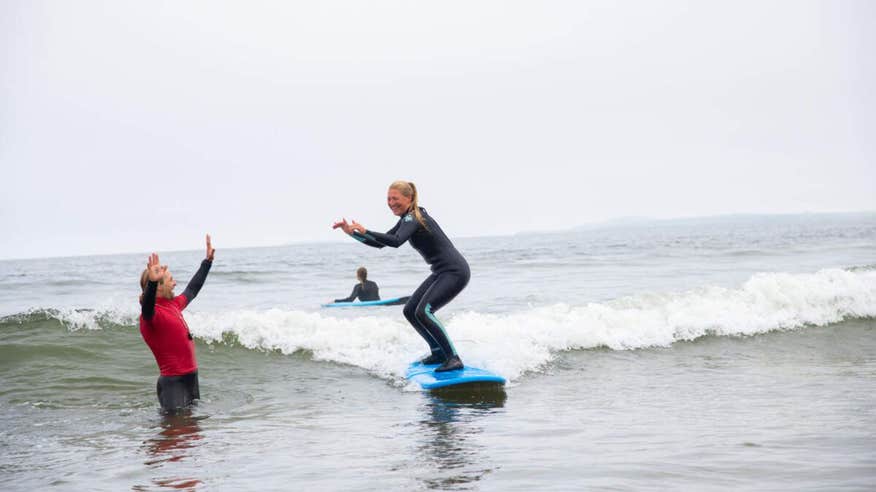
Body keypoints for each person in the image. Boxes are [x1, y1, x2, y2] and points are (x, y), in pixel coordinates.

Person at [333, 181, 469, 372]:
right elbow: (381, 243)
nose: (390, 202)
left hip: (454, 271)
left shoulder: (414, 217)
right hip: (441, 271)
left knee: (424, 311)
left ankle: (453, 358)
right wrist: (353, 233)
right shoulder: (407, 218)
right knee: (410, 310)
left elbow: (396, 241)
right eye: (388, 199)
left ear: (409, 198)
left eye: (395, 198)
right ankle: (438, 352)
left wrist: (366, 230)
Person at [139, 234, 215, 413]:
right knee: (173, 435)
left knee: (192, 434)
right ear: (158, 285)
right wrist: (152, 282)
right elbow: (147, 307)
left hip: (191, 379)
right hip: (173, 384)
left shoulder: (173, 304)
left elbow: (192, 289)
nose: (175, 283)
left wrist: (207, 262)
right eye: (170, 279)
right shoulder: (151, 315)